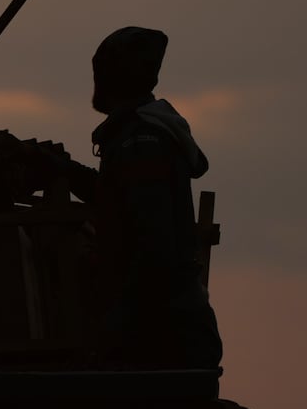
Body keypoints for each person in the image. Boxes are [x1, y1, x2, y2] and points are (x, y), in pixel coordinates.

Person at [66, 26, 224, 369]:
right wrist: (63, 170)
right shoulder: (142, 136)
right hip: (170, 327)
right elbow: (121, 194)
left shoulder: (140, 142)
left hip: (162, 336)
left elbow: (152, 244)